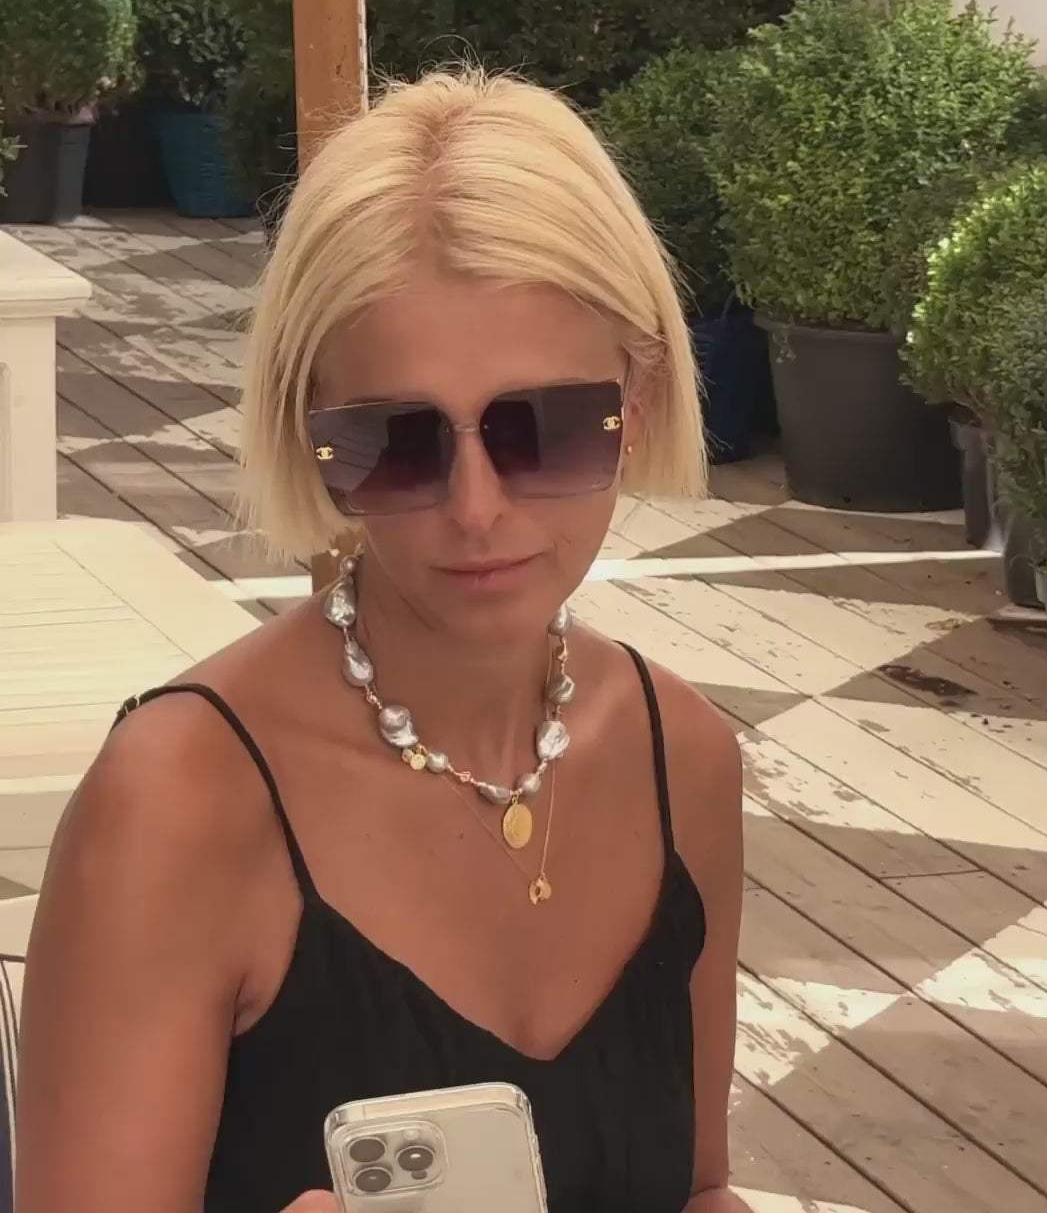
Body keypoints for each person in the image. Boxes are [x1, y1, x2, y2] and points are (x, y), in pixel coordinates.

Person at [16, 68, 747, 1213]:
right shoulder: (176, 806)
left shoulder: (682, 758)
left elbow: (697, 1188)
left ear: (638, 405)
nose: (476, 508)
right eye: (396, 443)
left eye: (546, 429)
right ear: (312, 441)